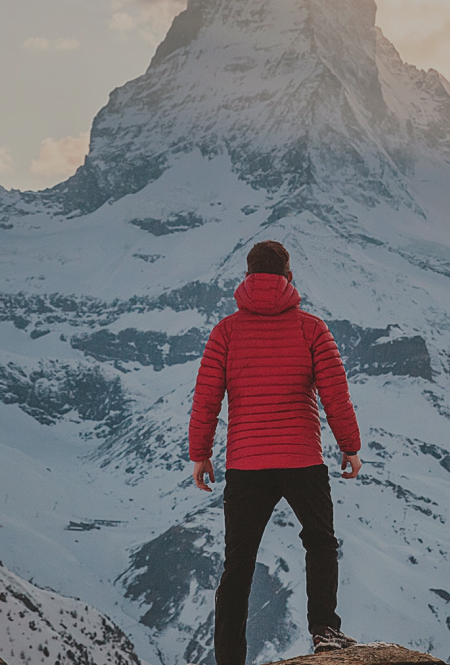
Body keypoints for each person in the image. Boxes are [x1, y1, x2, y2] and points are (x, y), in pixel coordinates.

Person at [189, 240, 363, 663]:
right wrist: (350, 447)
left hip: (247, 464)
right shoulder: (311, 328)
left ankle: (230, 657)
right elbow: (335, 394)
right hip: (302, 458)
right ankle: (325, 631)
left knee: (238, 565)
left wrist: (200, 453)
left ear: (247, 277)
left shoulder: (226, 331)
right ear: (288, 277)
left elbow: (207, 397)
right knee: (320, 543)